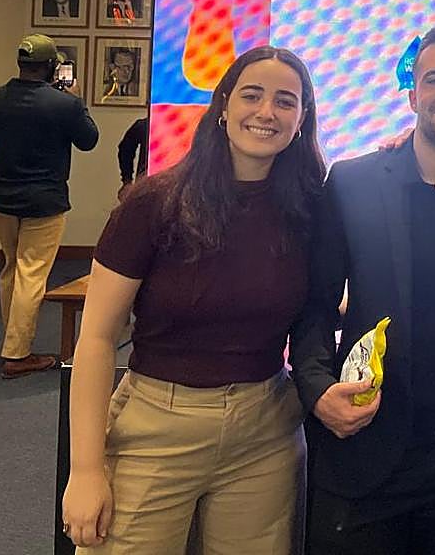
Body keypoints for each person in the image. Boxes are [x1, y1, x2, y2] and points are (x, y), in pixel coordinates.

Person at [62, 45, 325, 552]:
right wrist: (86, 469)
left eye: (285, 101)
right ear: (223, 106)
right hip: (156, 426)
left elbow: (313, 300)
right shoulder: (154, 204)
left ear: (301, 118)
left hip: (265, 431)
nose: (267, 112)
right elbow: (95, 339)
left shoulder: (310, 208)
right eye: (252, 95)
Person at [290, 25, 435, 555]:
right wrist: (315, 386)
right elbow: (314, 305)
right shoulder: (353, 182)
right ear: (412, 94)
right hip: (366, 451)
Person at [0, 34, 98, 379]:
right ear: (53, 66)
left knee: (11, 267)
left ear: (21, 63)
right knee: (32, 272)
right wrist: (77, 100)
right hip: (45, 199)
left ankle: (13, 341)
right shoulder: (64, 104)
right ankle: (18, 354)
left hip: (1, 198)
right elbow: (89, 140)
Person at [116, 117, 148, 200]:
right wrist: (127, 180)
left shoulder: (144, 125)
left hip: (146, 188)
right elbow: (125, 149)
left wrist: (127, 181)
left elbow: (125, 149)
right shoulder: (144, 126)